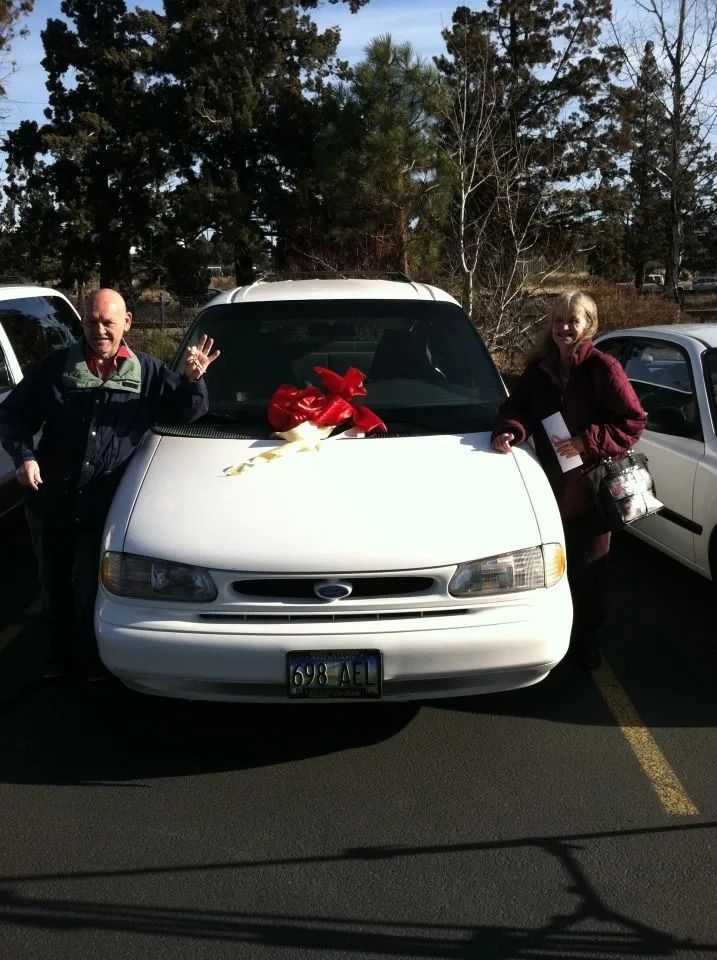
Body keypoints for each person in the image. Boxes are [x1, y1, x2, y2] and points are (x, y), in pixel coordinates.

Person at [0, 288, 220, 681]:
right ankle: (61, 663)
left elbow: (185, 414)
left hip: (103, 505)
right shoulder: (56, 368)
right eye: (91, 321)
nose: (99, 330)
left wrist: (191, 381)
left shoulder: (148, 372)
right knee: (54, 589)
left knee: (89, 588)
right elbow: (12, 417)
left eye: (108, 322)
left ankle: (94, 665)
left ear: (127, 323)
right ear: (82, 321)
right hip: (50, 501)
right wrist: (25, 457)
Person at [491, 290, 645, 669]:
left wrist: (586, 441)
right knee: (551, 569)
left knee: (591, 571)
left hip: (592, 491)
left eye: (573, 320)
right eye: (559, 319)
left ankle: (587, 640)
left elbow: (633, 421)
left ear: (587, 325)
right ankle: (551, 636)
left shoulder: (603, 369)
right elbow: (518, 407)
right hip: (549, 489)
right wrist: (511, 429)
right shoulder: (539, 370)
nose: (564, 327)